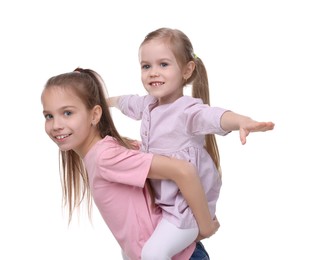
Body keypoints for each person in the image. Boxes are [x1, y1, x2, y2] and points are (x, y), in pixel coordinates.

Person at [107, 27, 275, 260]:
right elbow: (128, 102)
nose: (153, 72)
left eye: (163, 64)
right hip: (160, 203)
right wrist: (108, 101)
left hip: (184, 209)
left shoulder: (187, 111)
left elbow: (215, 116)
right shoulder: (147, 104)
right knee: (131, 250)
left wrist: (240, 121)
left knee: (154, 253)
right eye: (146, 66)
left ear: (187, 70)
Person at [41, 68, 220, 260]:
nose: (56, 124)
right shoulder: (109, 150)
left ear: (94, 115)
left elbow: (183, 170)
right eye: (48, 116)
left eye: (67, 113)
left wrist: (205, 225)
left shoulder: (104, 156)